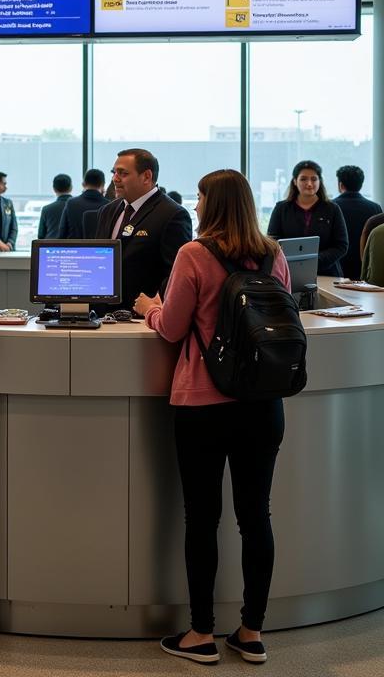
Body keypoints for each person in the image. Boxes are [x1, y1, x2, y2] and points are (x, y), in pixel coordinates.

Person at [136, 169, 291, 666]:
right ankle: (251, 630)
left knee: (202, 518)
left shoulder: (194, 255)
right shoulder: (273, 253)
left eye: (201, 196)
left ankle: (200, 633)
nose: (196, 204)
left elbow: (174, 326)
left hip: (202, 404)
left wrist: (149, 309)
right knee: (256, 517)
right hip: (263, 404)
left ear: (213, 203)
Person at [95, 149, 192, 314]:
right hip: (102, 316)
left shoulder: (172, 215)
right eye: (114, 172)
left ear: (147, 176)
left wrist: (154, 310)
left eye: (123, 173)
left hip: (143, 321)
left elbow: (176, 276)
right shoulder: (108, 211)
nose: (115, 179)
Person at [267, 160, 348, 276]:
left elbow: (341, 245)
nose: (309, 183)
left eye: (314, 179)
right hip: (288, 272)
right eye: (303, 179)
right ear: (295, 181)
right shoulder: (281, 208)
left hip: (326, 273)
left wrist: (314, 260)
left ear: (320, 181)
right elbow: (272, 241)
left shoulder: (332, 209)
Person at [334, 165, 381, 280]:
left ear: (340, 185)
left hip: (337, 270)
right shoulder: (375, 208)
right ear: (361, 184)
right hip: (366, 269)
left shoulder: (331, 207)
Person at [56, 168, 107, 239]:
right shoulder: (108, 205)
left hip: (75, 248)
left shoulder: (71, 203)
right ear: (103, 185)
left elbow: (62, 233)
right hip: (100, 249)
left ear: (83, 184)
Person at [37, 174, 73, 239]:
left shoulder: (46, 209)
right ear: (71, 188)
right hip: (74, 248)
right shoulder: (78, 207)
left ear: (54, 189)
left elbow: (41, 236)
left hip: (50, 247)